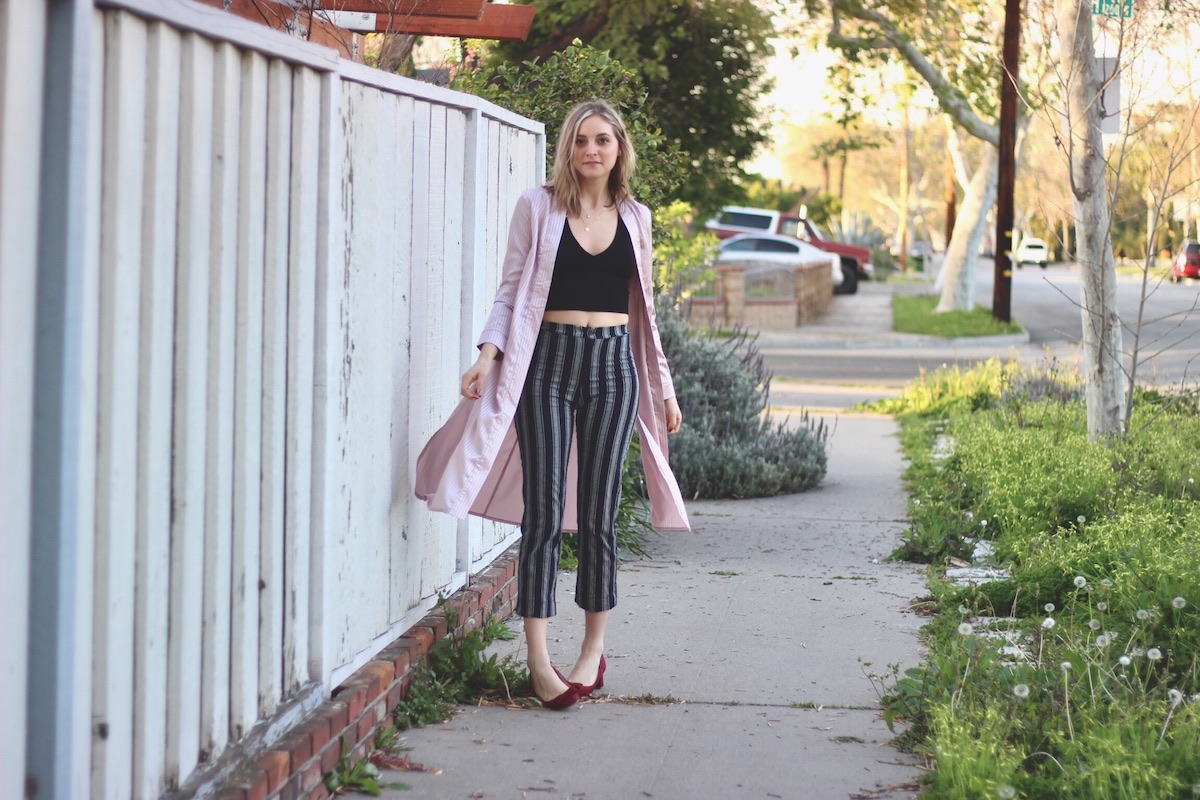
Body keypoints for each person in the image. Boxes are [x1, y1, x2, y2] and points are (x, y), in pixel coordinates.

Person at [414, 100, 690, 710]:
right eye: (581, 140)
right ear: (568, 148)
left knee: (599, 513)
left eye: (603, 140)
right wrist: (487, 356)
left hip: (614, 366)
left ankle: (593, 649)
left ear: (619, 149)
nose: (591, 150)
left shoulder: (637, 217)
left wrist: (664, 388)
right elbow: (511, 291)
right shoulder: (537, 207)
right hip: (547, 364)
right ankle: (539, 662)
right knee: (542, 512)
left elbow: (645, 313)